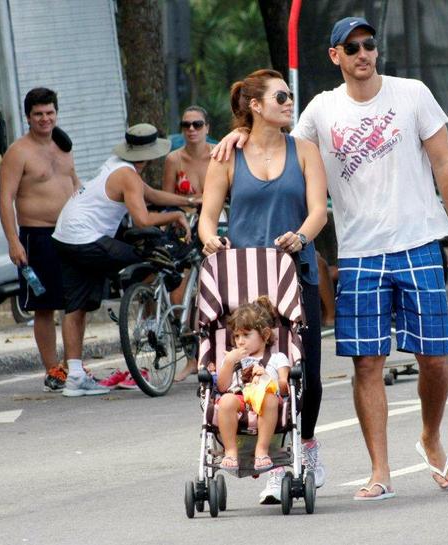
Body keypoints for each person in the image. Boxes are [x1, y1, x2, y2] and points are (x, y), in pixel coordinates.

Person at [212, 16, 448, 500]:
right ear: (335, 56)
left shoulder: (411, 93)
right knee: (367, 364)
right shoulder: (320, 110)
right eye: (351, 47)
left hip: (418, 241)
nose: (362, 54)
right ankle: (380, 472)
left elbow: (444, 162)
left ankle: (430, 439)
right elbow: (276, 139)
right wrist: (236, 135)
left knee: (434, 358)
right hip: (359, 254)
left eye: (369, 45)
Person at [199, 68, 328, 504]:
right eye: (280, 97)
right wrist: (209, 239)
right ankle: (272, 464)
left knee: (306, 374)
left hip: (295, 273)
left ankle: (305, 446)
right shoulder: (228, 155)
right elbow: (206, 216)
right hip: (243, 279)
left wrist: (303, 237)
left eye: (290, 96)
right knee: (250, 373)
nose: (290, 103)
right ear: (255, 105)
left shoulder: (305, 150)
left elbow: (318, 211)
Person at [52, 124, 192, 396]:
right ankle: (149, 320)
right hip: (86, 238)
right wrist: (176, 216)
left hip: (65, 236)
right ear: (149, 154)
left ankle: (76, 378)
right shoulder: (128, 174)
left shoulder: (117, 164)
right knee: (151, 257)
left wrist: (190, 201)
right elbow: (143, 219)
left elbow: (151, 196)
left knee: (76, 307)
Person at [0, 87, 80, 393]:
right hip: (37, 236)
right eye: (38, 114)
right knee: (44, 306)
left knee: (74, 303)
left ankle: (73, 364)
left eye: (50, 113)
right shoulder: (18, 152)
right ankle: (53, 369)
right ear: (28, 117)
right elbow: (5, 199)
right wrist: (13, 241)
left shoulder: (63, 145)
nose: (45, 119)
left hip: (69, 234)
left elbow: (74, 183)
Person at [162, 105, 212, 382]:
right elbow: (166, 197)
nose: (191, 130)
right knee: (178, 296)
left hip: (214, 224)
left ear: (207, 128)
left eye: (197, 124)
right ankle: (190, 357)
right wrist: (187, 203)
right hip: (183, 226)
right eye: (186, 125)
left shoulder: (218, 155)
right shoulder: (173, 159)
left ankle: (210, 354)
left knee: (211, 292)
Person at [215, 297, 290, 473]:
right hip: (241, 398)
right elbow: (222, 387)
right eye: (236, 336)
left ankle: (262, 450)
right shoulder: (233, 359)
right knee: (225, 400)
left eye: (246, 335)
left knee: (270, 399)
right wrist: (228, 363)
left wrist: (267, 377)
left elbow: (285, 386)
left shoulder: (277, 358)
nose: (240, 341)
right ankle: (231, 451)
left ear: (264, 335)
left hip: (266, 399)